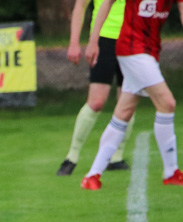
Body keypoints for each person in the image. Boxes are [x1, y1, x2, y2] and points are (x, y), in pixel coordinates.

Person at [81, 0, 183, 189]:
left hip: (150, 51)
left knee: (124, 112)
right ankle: (171, 172)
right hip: (132, 49)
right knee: (167, 103)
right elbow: (106, 3)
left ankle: (92, 175)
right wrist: (94, 41)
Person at [57, 0, 134, 176]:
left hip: (131, 39)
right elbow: (80, 7)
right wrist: (74, 42)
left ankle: (116, 157)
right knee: (96, 102)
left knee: (127, 101)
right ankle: (72, 156)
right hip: (104, 39)